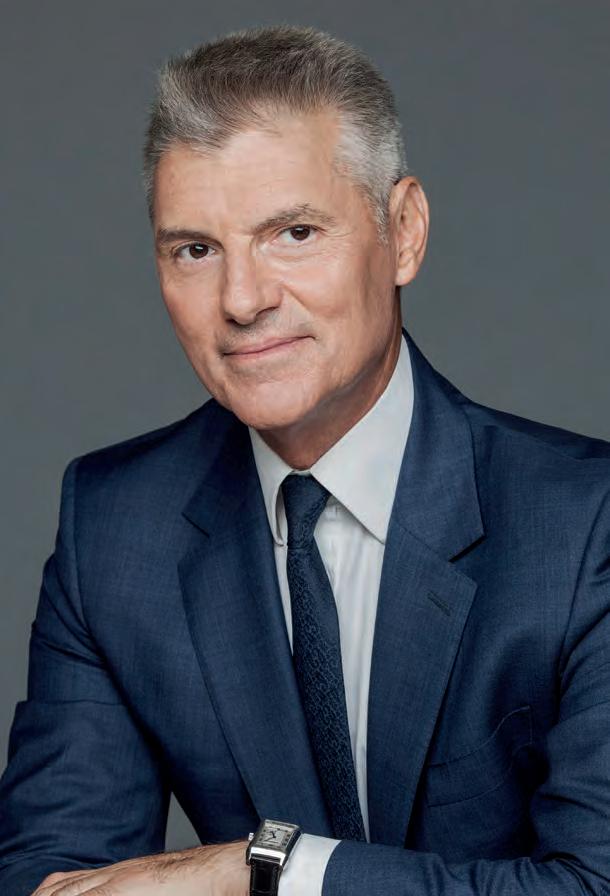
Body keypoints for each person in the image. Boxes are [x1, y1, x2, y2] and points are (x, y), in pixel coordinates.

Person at [1, 22, 610, 896]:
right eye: (195, 250)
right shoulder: (115, 528)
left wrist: (264, 867)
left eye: (293, 232)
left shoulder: (583, 526)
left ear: (404, 232)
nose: (242, 299)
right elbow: (57, 878)